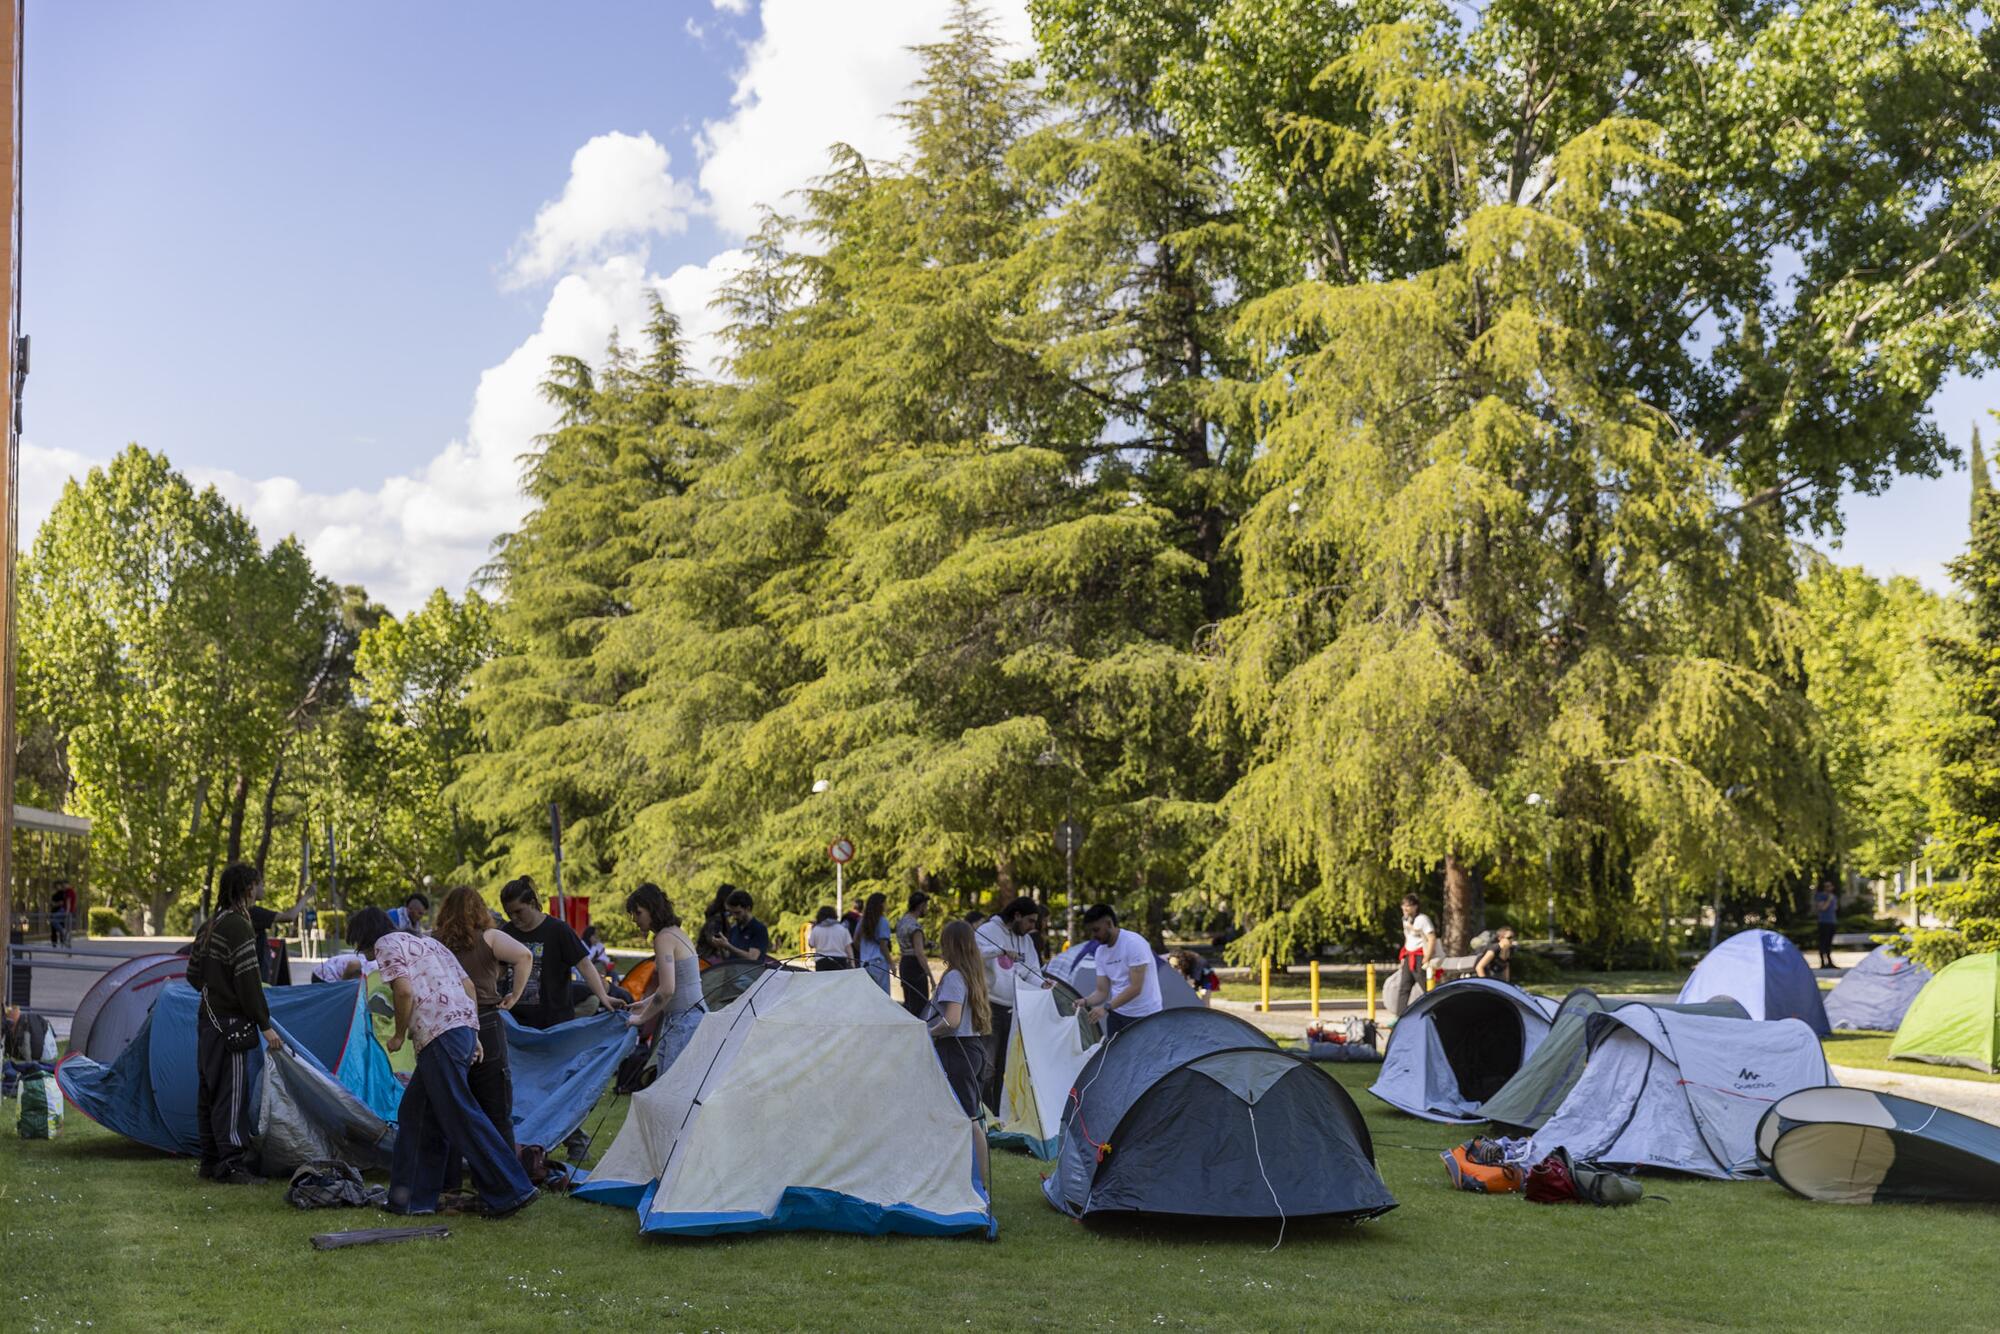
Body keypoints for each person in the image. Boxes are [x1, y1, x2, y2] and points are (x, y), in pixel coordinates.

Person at [350, 907, 537, 1219]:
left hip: (439, 1036)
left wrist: (398, 1035)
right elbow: (468, 988)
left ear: (365, 937)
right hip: (460, 1031)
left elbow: (404, 991)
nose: (365, 954)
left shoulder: (386, 944)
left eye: (360, 946)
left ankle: (512, 1189)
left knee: (461, 1114)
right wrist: (473, 1032)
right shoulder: (430, 944)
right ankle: (411, 1200)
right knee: (416, 1115)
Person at [184, 862, 283, 1182]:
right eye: (259, 883)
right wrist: (264, 1023)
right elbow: (249, 982)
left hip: (208, 1020)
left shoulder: (210, 924)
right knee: (231, 1094)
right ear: (249, 888)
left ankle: (210, 1161)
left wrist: (215, 988)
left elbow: (193, 975)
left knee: (209, 1092)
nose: (261, 888)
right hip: (231, 1025)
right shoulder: (239, 927)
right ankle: (231, 1164)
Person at [433, 886, 532, 1159]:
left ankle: (451, 1176)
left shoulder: (433, 941)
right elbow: (524, 956)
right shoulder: (490, 937)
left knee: (451, 1108)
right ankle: (503, 1176)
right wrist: (514, 996)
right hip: (486, 1020)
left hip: (447, 1025)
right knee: (496, 1109)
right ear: (480, 909)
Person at [498, 877, 627, 1030]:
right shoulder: (506, 932)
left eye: (518, 911)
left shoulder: (558, 930)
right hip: (514, 1022)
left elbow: (584, 965)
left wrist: (604, 997)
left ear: (532, 903)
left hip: (554, 1022)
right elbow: (498, 971)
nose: (514, 918)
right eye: (509, 913)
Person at [927, 919, 993, 1188]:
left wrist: (926, 1032)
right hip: (972, 1049)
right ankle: (971, 1180)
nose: (941, 947)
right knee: (970, 1116)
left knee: (969, 1120)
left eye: (944, 943)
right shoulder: (971, 974)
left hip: (957, 1051)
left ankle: (978, 1184)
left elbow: (952, 1021)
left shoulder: (954, 976)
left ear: (952, 945)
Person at [974, 897, 1051, 1113]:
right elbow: (973, 953)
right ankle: (981, 1113)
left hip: (1015, 1009)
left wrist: (1042, 983)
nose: (1032, 926)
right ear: (1017, 915)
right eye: (1030, 921)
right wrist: (999, 951)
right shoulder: (988, 931)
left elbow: (1032, 971)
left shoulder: (1026, 941)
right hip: (990, 1007)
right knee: (987, 1067)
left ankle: (998, 1114)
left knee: (1005, 1067)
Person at [623, 883, 705, 1078]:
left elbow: (667, 989)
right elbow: (677, 985)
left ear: (652, 909)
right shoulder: (676, 932)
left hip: (684, 1021)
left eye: (638, 913)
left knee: (671, 1085)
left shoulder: (663, 938)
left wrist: (641, 1019)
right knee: (672, 1082)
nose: (634, 919)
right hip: (690, 1017)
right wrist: (644, 1004)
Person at [1079, 904, 1162, 1037]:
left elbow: (1136, 988)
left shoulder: (1133, 943)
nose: (1093, 936)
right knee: (1114, 1050)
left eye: (1096, 930)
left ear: (1108, 923)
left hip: (1145, 1015)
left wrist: (1106, 1008)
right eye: (1091, 931)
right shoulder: (1100, 952)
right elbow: (1102, 991)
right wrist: (1084, 1002)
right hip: (1117, 1014)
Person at [248, 877, 311, 986]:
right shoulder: (254, 912)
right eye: (261, 885)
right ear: (251, 888)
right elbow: (289, 916)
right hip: (258, 977)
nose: (264, 888)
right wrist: (307, 896)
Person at [707, 889, 772, 965]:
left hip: (751, 972)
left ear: (748, 909)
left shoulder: (759, 929)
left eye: (738, 913)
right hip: (733, 970)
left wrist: (728, 946)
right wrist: (721, 946)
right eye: (731, 913)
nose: (734, 916)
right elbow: (728, 957)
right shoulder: (734, 929)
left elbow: (752, 958)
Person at [895, 891, 932, 1018]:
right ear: (921, 906)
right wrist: (931, 977)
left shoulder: (902, 922)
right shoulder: (915, 927)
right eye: (926, 906)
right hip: (915, 966)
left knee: (909, 1002)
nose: (926, 909)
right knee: (920, 1005)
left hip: (904, 963)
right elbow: (919, 953)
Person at [855, 892, 893, 993]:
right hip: (879, 963)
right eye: (885, 903)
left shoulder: (862, 921)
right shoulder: (882, 921)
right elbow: (883, 946)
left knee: (868, 994)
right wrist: (891, 963)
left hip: (865, 963)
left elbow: (856, 940)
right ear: (880, 905)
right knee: (882, 995)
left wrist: (864, 951)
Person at [1399, 895, 1438, 985]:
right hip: (1409, 955)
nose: (1404, 908)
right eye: (1403, 905)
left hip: (1420, 955)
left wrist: (1427, 957)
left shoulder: (1423, 919)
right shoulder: (1405, 920)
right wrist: (1403, 956)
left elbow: (1432, 938)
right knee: (1404, 985)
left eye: (1408, 906)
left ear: (1415, 907)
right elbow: (1408, 938)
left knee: (1424, 983)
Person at [807, 905, 853, 970]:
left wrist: (811, 930)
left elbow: (811, 944)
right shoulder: (843, 928)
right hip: (840, 961)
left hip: (821, 961)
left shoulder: (816, 929)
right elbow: (848, 948)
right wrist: (852, 963)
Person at [1813, 881, 1840, 970]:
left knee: (1829, 943)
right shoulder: (1821, 896)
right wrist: (1828, 899)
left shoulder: (1834, 896)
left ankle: (1829, 962)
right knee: (1822, 943)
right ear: (1824, 887)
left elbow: (1835, 908)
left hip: (1832, 922)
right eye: (1827, 886)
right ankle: (1822, 963)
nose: (1829, 887)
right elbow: (1822, 908)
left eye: (1830, 886)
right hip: (1823, 922)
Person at [310, 949, 375, 984]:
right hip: (325, 975)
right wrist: (342, 985)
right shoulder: (374, 965)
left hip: (323, 971)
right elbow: (353, 965)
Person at [47, 882, 77, 947]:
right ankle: (61, 939)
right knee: (55, 922)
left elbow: (68, 902)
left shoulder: (68, 892)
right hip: (61, 910)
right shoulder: (65, 892)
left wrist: (67, 912)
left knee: (56, 921)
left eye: (64, 885)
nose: (63, 887)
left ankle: (64, 936)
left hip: (64, 910)